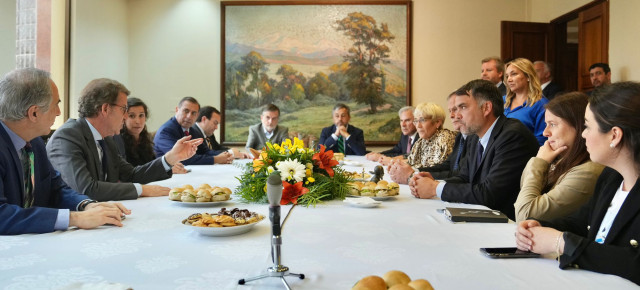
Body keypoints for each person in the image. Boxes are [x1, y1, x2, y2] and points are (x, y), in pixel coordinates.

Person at [515, 82, 640, 285]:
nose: (583, 134)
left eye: (588, 126)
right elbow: (581, 222)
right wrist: (539, 226)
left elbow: (634, 263)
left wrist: (560, 242)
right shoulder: (611, 177)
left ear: (614, 135)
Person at [0, 68, 130, 235]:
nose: (59, 112)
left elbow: (56, 188)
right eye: (56, 104)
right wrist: (73, 218)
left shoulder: (34, 141)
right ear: (34, 113)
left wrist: (86, 205)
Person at [47, 79, 202, 201]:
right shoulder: (67, 137)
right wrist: (142, 190)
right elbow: (87, 189)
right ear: (105, 109)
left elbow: (131, 175)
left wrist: (170, 158)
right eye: (124, 109)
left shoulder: (106, 139)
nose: (126, 116)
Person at [408, 79, 538, 220]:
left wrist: (435, 188)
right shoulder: (475, 136)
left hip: (510, 226)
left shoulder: (512, 135)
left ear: (486, 108)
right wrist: (435, 182)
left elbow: (490, 194)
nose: (457, 115)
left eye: (463, 107)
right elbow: (465, 177)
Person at [514, 92, 604, 222]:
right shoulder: (561, 159)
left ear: (578, 126)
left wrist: (540, 162)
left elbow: (524, 214)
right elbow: (524, 194)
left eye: (552, 124)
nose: (545, 132)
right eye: (546, 124)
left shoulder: (587, 172)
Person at [389, 92, 470, 183]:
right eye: (416, 121)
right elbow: (446, 166)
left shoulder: (445, 139)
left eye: (422, 120)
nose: (418, 126)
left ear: (437, 123)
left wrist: (412, 174)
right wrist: (403, 167)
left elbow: (452, 172)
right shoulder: (421, 141)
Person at [115, 97, 187, 173]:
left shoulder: (145, 139)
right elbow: (130, 172)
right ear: (124, 118)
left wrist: (167, 166)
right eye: (132, 116)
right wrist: (163, 168)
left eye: (141, 115)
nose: (137, 121)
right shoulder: (118, 140)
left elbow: (151, 164)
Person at [154, 97, 232, 165]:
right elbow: (181, 158)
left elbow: (204, 151)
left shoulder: (191, 130)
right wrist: (216, 159)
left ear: (197, 115)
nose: (189, 116)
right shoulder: (166, 130)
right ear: (177, 110)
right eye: (186, 111)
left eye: (193, 113)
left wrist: (227, 155)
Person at [504, 58, 549, 145]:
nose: (509, 79)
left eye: (514, 74)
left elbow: (542, 141)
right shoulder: (502, 100)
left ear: (528, 76)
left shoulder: (542, 105)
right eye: (507, 76)